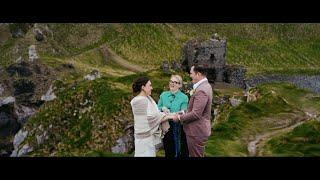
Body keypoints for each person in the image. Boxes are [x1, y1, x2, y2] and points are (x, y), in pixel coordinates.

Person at [172, 65, 213, 157]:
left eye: (191, 73)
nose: (190, 76)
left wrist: (179, 117)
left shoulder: (202, 90)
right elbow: (195, 109)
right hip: (198, 130)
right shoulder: (205, 86)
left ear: (198, 74)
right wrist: (183, 112)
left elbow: (196, 114)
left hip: (196, 131)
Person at [130, 76, 174, 157]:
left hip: (149, 138)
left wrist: (166, 113)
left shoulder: (147, 99)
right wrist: (169, 116)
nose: (152, 88)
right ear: (143, 87)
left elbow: (155, 115)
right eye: (149, 85)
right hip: (143, 138)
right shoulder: (139, 101)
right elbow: (149, 119)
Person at [158, 75, 189, 157]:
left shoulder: (184, 97)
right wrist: (162, 108)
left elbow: (183, 112)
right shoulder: (163, 95)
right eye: (171, 81)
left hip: (178, 126)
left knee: (179, 150)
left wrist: (172, 114)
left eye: (175, 82)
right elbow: (157, 108)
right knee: (168, 149)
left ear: (180, 85)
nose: (172, 84)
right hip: (165, 126)